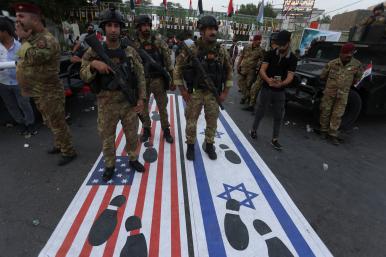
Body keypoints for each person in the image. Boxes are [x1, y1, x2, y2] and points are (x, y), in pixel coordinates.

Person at [80, 7, 147, 180]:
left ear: (121, 28)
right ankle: (109, 164)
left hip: (127, 102)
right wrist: (94, 65)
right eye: (109, 25)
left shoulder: (129, 51)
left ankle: (133, 158)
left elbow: (140, 76)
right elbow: (83, 74)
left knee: (132, 135)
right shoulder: (93, 51)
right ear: (104, 27)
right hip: (106, 103)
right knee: (107, 137)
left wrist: (141, 98)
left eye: (116, 26)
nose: (113, 29)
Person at [14, 2, 77, 165]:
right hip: (39, 90)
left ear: (34, 19)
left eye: (21, 16)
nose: (17, 20)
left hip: (50, 91)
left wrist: (23, 39)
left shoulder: (47, 40)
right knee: (49, 121)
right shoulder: (33, 38)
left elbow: (32, 57)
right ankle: (59, 144)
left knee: (57, 122)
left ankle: (68, 151)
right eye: (16, 16)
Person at [174, 15, 233, 161]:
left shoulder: (221, 51)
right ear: (201, 31)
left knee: (212, 121)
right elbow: (177, 70)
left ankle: (209, 144)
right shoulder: (191, 50)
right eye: (209, 29)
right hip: (195, 92)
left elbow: (229, 71)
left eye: (214, 29)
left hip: (213, 93)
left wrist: (225, 92)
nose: (213, 32)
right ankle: (191, 145)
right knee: (191, 121)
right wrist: (183, 91)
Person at [250, 30, 297, 150]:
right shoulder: (270, 54)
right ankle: (253, 130)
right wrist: (268, 80)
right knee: (260, 111)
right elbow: (262, 70)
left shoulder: (292, 58)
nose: (280, 47)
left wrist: (281, 83)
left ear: (289, 42)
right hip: (266, 88)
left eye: (283, 44)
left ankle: (275, 139)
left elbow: (290, 76)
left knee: (278, 115)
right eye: (279, 44)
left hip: (280, 92)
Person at [132, 14, 175, 144]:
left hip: (158, 80)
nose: (146, 28)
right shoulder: (134, 44)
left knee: (162, 107)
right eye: (143, 26)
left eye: (147, 25)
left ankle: (166, 130)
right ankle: (146, 129)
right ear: (138, 28)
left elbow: (168, 61)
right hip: (142, 81)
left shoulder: (158, 41)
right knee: (143, 107)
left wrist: (172, 78)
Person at [316, 43, 362, 145]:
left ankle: (332, 134)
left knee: (337, 114)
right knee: (325, 111)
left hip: (343, 94)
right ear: (341, 53)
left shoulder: (357, 65)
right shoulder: (332, 63)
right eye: (345, 54)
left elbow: (357, 78)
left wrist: (346, 84)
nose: (347, 56)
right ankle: (323, 131)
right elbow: (323, 76)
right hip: (329, 92)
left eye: (350, 54)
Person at [0, 17, 36, 136]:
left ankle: (30, 124)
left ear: (4, 31)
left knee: (24, 104)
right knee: (11, 105)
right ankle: (21, 123)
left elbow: (29, 63)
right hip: (3, 82)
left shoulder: (20, 46)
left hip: (19, 81)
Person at [236, 35, 265, 105]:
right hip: (243, 68)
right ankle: (247, 96)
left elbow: (262, 60)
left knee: (248, 85)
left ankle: (244, 98)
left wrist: (258, 66)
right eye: (258, 40)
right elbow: (241, 56)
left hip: (252, 70)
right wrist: (238, 65)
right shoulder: (247, 47)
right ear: (254, 40)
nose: (260, 42)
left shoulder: (261, 50)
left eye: (260, 40)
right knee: (240, 82)